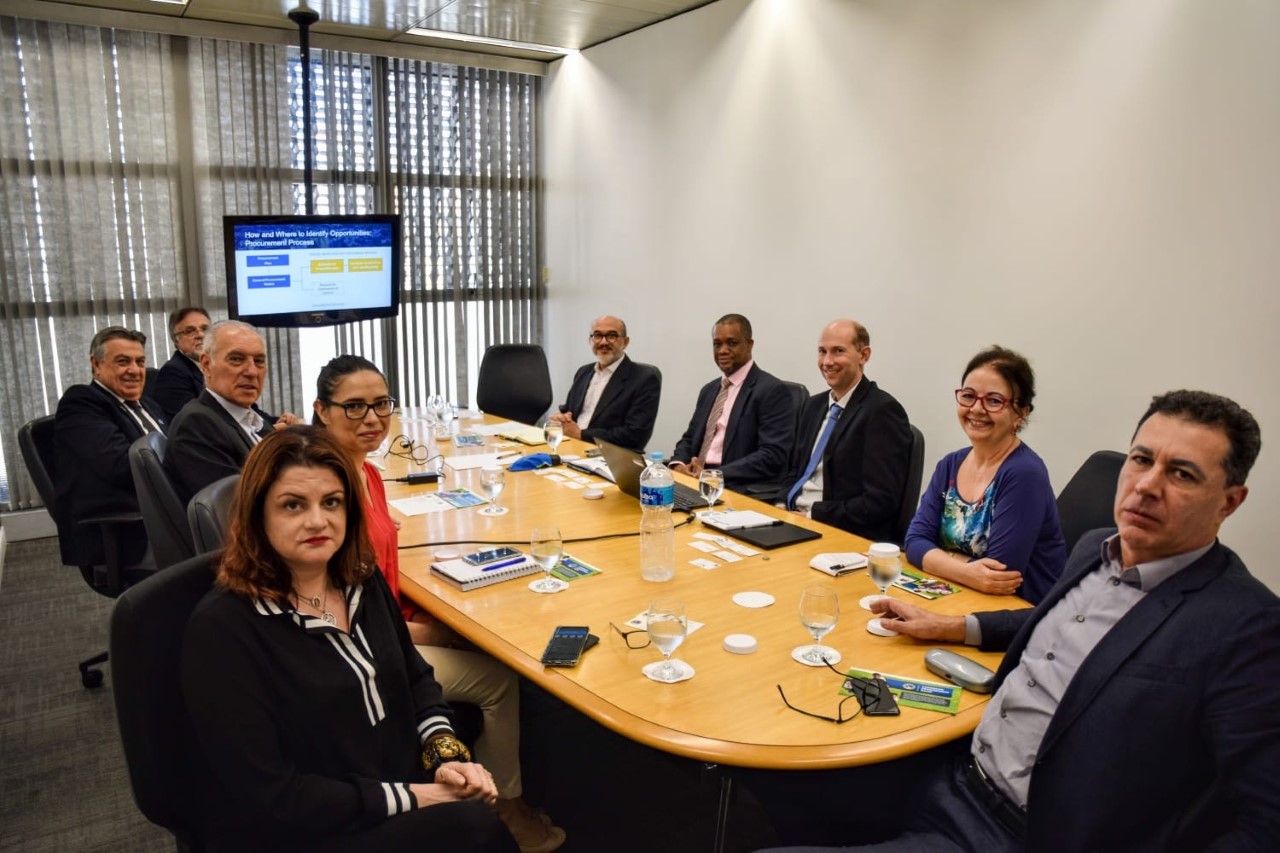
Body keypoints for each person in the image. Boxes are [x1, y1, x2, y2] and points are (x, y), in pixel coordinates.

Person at [795, 390, 1279, 853]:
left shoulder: (1247, 627)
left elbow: (1265, 823)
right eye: (1141, 459)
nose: (1148, 485)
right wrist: (953, 627)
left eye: (1182, 474)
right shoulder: (1096, 546)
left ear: (1230, 501)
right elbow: (1053, 625)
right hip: (953, 774)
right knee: (783, 776)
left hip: (1018, 831)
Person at [181, 427, 516, 852]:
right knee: (478, 830)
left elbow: (415, 678)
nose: (318, 520)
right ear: (256, 515)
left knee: (472, 812)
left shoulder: (359, 576)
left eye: (332, 502)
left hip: (386, 781)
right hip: (309, 821)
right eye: (292, 505)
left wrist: (444, 756)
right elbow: (270, 795)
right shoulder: (224, 631)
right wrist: (420, 797)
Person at [312, 355, 565, 853]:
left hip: (387, 626)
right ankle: (505, 809)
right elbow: (332, 610)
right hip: (358, 653)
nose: (372, 419)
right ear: (322, 411)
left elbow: (375, 579)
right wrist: (421, 633)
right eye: (354, 407)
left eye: (381, 404)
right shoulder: (330, 490)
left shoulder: (366, 472)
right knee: (498, 679)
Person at [903, 346, 1066, 604]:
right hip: (958, 599)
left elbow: (998, 574)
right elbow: (914, 542)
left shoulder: (1024, 474)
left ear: (1021, 413)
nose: (977, 409)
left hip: (1016, 618)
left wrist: (940, 559)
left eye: (993, 401)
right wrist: (967, 570)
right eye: (968, 396)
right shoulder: (950, 465)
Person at [776, 319, 912, 542]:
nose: (827, 361)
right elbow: (793, 472)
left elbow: (879, 502)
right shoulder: (812, 406)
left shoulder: (882, 411)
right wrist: (780, 505)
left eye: (838, 351)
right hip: (791, 521)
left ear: (864, 355)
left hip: (837, 532)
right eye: (822, 352)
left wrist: (811, 515)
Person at [52, 325, 166, 570]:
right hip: (130, 531)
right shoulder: (81, 403)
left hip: (166, 516)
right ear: (96, 364)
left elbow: (174, 447)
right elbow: (125, 468)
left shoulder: (148, 404)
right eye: (123, 361)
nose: (135, 370)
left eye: (140, 361)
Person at [164, 320, 301, 504]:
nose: (252, 371)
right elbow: (233, 508)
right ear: (206, 365)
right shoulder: (198, 424)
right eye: (236, 359)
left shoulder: (250, 417)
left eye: (259, 361)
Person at [668, 313, 796, 491]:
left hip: (734, 485)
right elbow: (690, 438)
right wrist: (678, 465)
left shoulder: (771, 391)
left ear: (749, 345)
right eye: (717, 344)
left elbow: (772, 455)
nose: (722, 350)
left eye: (732, 343)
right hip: (696, 480)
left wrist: (715, 475)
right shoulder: (709, 390)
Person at [548, 314, 661, 452]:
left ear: (625, 342)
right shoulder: (583, 372)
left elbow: (635, 434)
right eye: (597, 335)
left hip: (608, 456)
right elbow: (569, 411)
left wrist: (581, 434)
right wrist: (562, 418)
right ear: (590, 340)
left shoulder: (643, 378)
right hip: (572, 447)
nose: (603, 342)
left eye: (611, 336)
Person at [149, 306, 210, 419]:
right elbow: (193, 420)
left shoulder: (218, 366)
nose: (200, 335)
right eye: (190, 331)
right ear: (176, 341)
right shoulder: (172, 373)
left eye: (205, 329)